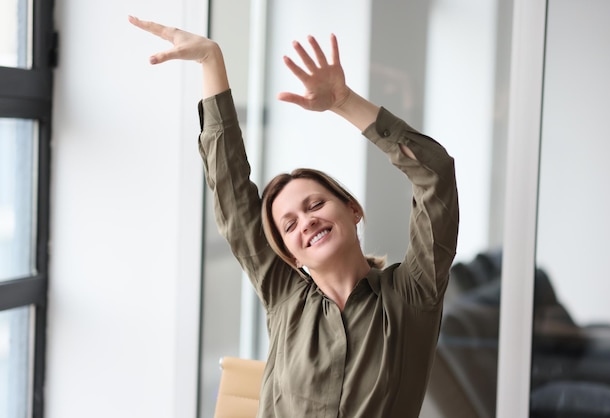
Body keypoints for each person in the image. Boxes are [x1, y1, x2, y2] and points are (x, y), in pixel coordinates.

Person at [130, 15, 459, 417]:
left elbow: (434, 174)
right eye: (289, 225)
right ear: (290, 254)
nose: (306, 222)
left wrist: (344, 103)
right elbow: (232, 196)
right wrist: (210, 60)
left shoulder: (412, 295)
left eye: (316, 205)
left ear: (353, 210)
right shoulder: (285, 298)